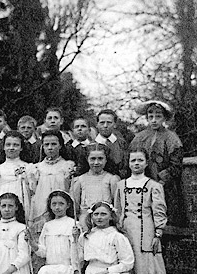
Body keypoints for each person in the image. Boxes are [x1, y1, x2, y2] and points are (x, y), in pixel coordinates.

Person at [114, 147, 168, 274]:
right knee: (126, 269)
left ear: (146, 163)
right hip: (126, 231)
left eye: (140, 160)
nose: (136, 164)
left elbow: (159, 211)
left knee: (142, 272)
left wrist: (157, 234)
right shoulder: (121, 185)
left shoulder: (154, 186)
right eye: (133, 161)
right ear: (128, 163)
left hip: (145, 231)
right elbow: (117, 208)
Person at [129, 100, 188, 237]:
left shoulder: (171, 138)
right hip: (142, 183)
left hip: (165, 187)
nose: (154, 120)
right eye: (151, 117)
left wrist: (161, 181)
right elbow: (132, 159)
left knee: (164, 218)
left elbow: (176, 165)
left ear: (164, 118)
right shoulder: (139, 138)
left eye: (158, 117)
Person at [31, 190, 81, 274]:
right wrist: (32, 243)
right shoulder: (48, 226)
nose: (57, 207)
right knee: (46, 271)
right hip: (51, 265)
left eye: (61, 204)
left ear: (68, 205)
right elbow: (43, 252)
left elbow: (77, 253)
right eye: (54, 204)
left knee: (50, 272)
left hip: (68, 267)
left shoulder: (73, 224)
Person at [0, 131, 36, 225]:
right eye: (8, 145)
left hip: (22, 207)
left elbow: (32, 194)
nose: (11, 148)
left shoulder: (28, 168)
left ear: (21, 148)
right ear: (4, 147)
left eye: (16, 145)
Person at [29, 130, 75, 229]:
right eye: (46, 144)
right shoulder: (37, 168)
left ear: (60, 145)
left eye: (54, 144)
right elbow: (33, 191)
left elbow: (70, 190)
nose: (50, 147)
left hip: (61, 209)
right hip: (40, 208)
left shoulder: (67, 166)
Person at [70, 143, 120, 231]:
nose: (96, 163)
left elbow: (117, 206)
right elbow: (75, 207)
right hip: (85, 224)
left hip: (106, 224)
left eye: (100, 159)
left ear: (106, 160)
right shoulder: (79, 180)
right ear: (87, 159)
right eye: (92, 159)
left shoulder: (112, 179)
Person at [95, 109, 128, 178]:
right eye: (102, 123)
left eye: (109, 122)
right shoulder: (91, 146)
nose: (105, 126)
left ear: (115, 124)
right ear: (97, 125)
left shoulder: (122, 144)